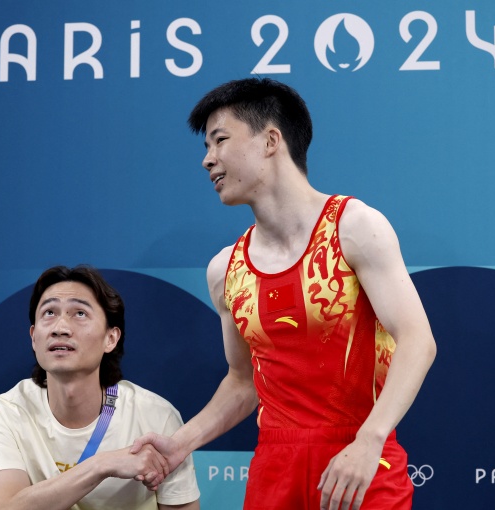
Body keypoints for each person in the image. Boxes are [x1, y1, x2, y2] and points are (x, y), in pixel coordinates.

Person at [132, 78, 437, 510]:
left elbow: (417, 340)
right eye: (206, 146)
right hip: (274, 472)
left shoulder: (354, 227)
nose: (207, 159)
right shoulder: (225, 270)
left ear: (271, 140)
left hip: (361, 464)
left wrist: (369, 439)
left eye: (220, 140)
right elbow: (243, 382)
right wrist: (180, 444)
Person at [0, 265, 200, 510]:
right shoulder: (4, 412)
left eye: (80, 314)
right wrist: (102, 465)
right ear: (33, 337)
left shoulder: (156, 417)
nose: (60, 328)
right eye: (49, 312)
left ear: (110, 338)